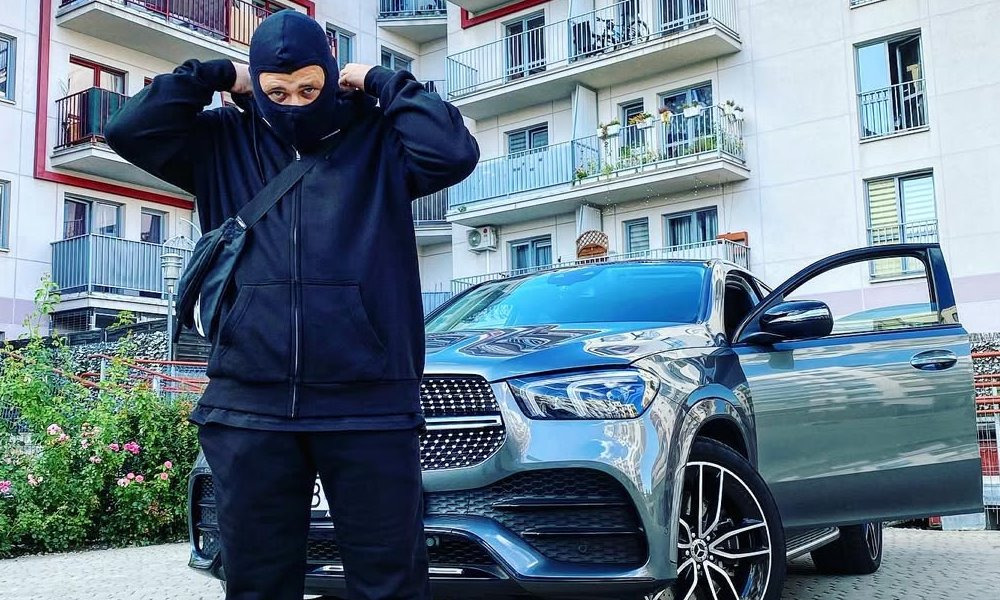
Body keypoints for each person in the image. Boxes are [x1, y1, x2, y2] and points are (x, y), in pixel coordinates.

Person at [105, 9, 479, 600]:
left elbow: (453, 152)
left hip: (370, 406)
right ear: (255, 84)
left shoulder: (380, 139)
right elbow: (128, 130)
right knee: (256, 585)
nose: (295, 104)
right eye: (277, 92)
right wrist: (214, 73)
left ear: (332, 76)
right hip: (249, 406)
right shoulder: (219, 142)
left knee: (391, 584)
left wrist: (380, 80)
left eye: (309, 88)